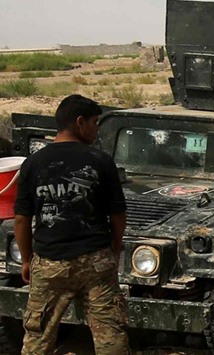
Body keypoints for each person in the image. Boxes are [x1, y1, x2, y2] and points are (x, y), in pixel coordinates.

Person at [13, 94, 129, 355]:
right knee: (110, 331)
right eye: (94, 122)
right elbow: (118, 214)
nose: (96, 129)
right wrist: (115, 248)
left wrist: (26, 259)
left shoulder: (33, 163)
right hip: (96, 261)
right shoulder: (100, 161)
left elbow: (21, 218)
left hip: (50, 263)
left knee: (38, 335)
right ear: (80, 123)